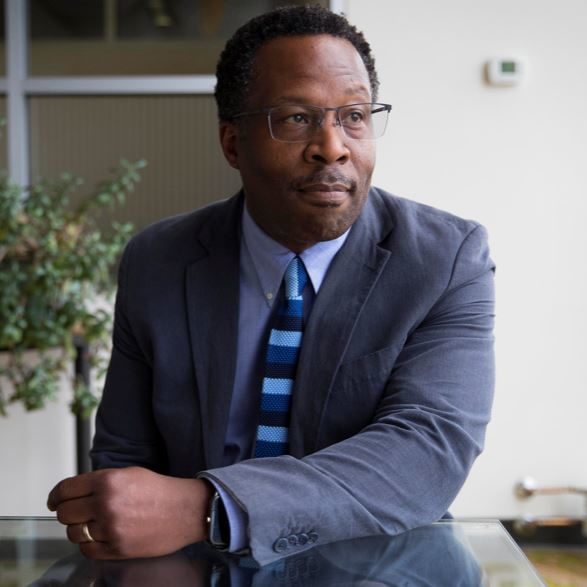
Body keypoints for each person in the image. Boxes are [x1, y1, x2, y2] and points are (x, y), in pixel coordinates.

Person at [47, 5, 495, 567]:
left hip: (382, 564)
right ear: (233, 144)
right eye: (297, 119)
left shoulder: (445, 258)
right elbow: (126, 458)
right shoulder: (158, 260)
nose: (333, 146)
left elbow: (428, 452)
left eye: (354, 115)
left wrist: (211, 506)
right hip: (192, 567)